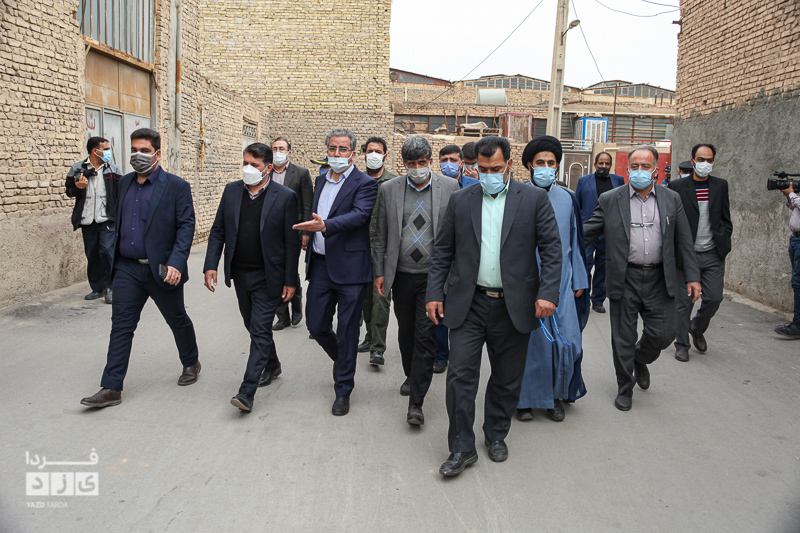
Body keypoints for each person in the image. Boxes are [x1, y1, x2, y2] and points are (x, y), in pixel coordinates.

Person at [426, 136, 562, 477]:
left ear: (509, 166)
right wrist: (434, 293)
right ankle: (461, 447)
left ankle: (496, 433)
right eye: (483, 169)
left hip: (513, 305)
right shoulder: (461, 200)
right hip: (468, 304)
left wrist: (548, 293)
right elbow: (442, 251)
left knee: (506, 377)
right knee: (460, 376)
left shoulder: (533, 200)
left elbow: (551, 249)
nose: (489, 175)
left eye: (496, 169)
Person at [80, 128, 200, 408]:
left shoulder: (176, 186)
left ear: (157, 153)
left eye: (144, 150)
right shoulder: (124, 183)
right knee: (121, 327)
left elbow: (186, 226)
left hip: (161, 269)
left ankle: (191, 362)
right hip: (127, 269)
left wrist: (176, 262)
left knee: (177, 319)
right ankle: (111, 387)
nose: (138, 155)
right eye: (134, 149)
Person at [584, 145, 701, 412]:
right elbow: (587, 232)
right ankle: (625, 387)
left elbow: (684, 240)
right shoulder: (611, 199)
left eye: (645, 167)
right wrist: (557, 248)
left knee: (664, 333)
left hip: (660, 277)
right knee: (622, 337)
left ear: (655, 171)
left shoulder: (671, 199)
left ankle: (639, 358)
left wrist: (692, 276)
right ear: (627, 170)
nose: (639, 171)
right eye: (634, 166)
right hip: (624, 277)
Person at [202, 143, 300, 411]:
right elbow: (218, 230)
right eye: (245, 163)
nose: (248, 168)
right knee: (252, 324)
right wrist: (211, 264)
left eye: (254, 165)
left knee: (259, 329)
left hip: (268, 275)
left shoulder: (285, 196)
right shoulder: (232, 191)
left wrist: (290, 280)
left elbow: (291, 243)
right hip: (240, 273)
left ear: (268, 168)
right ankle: (273, 364)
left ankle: (247, 391)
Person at [373, 136, 459, 425]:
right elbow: (381, 235)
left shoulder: (450, 187)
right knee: (406, 331)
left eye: (423, 162)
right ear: (404, 164)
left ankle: (416, 404)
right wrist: (379, 272)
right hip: (401, 275)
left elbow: (457, 234)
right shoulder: (389, 189)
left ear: (430, 161)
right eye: (412, 164)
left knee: (425, 335)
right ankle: (411, 374)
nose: (418, 168)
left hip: (433, 277)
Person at [293, 128, 378, 416]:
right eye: (332, 148)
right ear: (327, 151)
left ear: (352, 153)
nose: (337, 154)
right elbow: (315, 215)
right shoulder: (320, 179)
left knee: (347, 330)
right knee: (316, 325)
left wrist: (326, 226)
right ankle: (344, 360)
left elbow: (360, 215)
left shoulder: (365, 183)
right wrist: (310, 232)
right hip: (320, 265)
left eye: (343, 149)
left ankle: (343, 389)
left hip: (352, 269)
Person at [516, 136, 590, 423]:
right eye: (540, 163)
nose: (546, 167)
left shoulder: (567, 198)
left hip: (562, 282)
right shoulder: (517, 196)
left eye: (551, 163)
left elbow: (575, 240)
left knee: (566, 341)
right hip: (527, 281)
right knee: (531, 344)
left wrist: (579, 279)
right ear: (529, 166)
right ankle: (524, 400)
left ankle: (556, 396)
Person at [668, 143, 733, 361]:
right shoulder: (677, 186)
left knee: (714, 297)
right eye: (701, 159)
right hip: (687, 255)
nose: (705, 163)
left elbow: (725, 218)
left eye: (709, 160)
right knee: (684, 302)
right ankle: (682, 344)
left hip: (713, 253)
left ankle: (696, 327)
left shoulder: (720, 185)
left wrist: (724, 243)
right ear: (693, 161)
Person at [432, 145, 481, 374]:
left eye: (453, 159)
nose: (448, 164)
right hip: (443, 253)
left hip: (467, 256)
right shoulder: (435, 185)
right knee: (440, 308)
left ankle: (463, 354)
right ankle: (441, 355)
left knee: (464, 310)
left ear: (461, 162)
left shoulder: (474, 184)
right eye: (444, 160)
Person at [66, 136, 122, 304]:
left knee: (107, 251)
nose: (108, 152)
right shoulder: (77, 168)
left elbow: (121, 192)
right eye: (105, 149)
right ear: (95, 151)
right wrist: (78, 188)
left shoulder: (113, 169)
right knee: (92, 254)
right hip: (87, 218)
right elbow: (69, 192)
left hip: (107, 218)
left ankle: (110, 287)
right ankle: (97, 288)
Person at [358, 136, 396, 366]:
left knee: (381, 299)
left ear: (385, 155)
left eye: (378, 151)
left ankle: (377, 348)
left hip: (384, 251)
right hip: (360, 250)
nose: (373, 155)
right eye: (370, 151)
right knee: (365, 300)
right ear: (364, 154)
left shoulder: (393, 183)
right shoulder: (357, 180)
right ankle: (370, 336)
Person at [270, 137, 313, 332]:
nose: (278, 152)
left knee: (289, 268)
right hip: (271, 230)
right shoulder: (266, 172)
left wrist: (305, 232)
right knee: (273, 271)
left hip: (293, 229)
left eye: (282, 148)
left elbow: (307, 204)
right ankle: (282, 316)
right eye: (274, 148)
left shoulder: (301, 173)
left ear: (289, 152)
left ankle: (296, 304)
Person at [575, 152, 625, 314]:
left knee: (603, 267)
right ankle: (583, 297)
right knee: (585, 264)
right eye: (601, 163)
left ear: (611, 165)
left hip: (609, 231)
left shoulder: (618, 181)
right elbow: (577, 206)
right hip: (588, 231)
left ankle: (598, 300)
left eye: (607, 164)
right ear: (595, 164)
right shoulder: (583, 181)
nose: (604, 166)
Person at [775, 183, 800, 339]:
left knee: (798, 282)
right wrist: (789, 196)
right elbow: (794, 208)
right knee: (797, 283)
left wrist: (791, 193)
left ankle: (798, 325)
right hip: (795, 240)